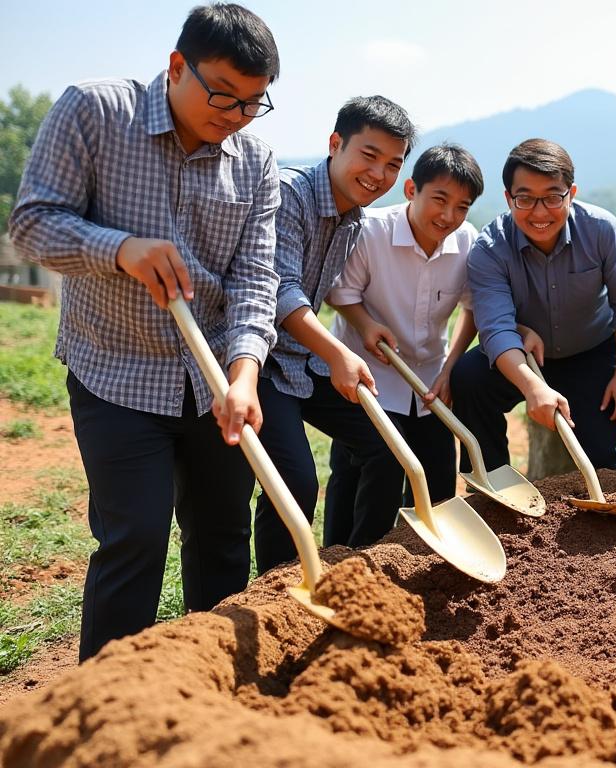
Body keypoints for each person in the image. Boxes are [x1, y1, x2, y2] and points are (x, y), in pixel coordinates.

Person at [9, 3, 281, 660]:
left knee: (221, 538)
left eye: (253, 103)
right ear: (177, 66)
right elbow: (33, 224)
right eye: (223, 94)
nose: (236, 115)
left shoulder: (256, 161)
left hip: (215, 381)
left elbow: (256, 279)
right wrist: (121, 249)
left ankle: (211, 681)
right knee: (135, 538)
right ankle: (106, 700)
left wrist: (244, 374)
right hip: (116, 369)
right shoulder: (96, 112)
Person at [251, 96, 414, 574]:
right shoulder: (289, 194)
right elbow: (281, 291)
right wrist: (338, 352)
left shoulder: (353, 217)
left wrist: (361, 328)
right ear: (335, 143)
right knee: (295, 483)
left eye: (392, 164)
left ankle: (359, 568)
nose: (378, 174)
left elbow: (326, 292)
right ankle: (277, 589)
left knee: (389, 447)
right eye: (369, 155)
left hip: (304, 360)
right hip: (261, 361)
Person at [451, 139, 616, 471]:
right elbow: (496, 329)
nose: (539, 213)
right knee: (469, 377)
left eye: (553, 197)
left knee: (600, 462)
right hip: (523, 355)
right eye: (525, 199)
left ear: (571, 194)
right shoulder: (490, 248)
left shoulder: (602, 230)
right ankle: (492, 483)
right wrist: (532, 386)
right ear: (508, 198)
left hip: (591, 352)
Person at [325, 143, 483, 507]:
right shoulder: (370, 231)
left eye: (462, 207)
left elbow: (473, 309)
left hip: (430, 383)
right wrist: (366, 325)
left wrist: (450, 367)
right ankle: (352, 544)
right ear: (411, 189)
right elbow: (341, 293)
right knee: (362, 481)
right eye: (439, 199)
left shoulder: (467, 241)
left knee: (438, 487)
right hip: (370, 378)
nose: (448, 215)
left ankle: (425, 546)